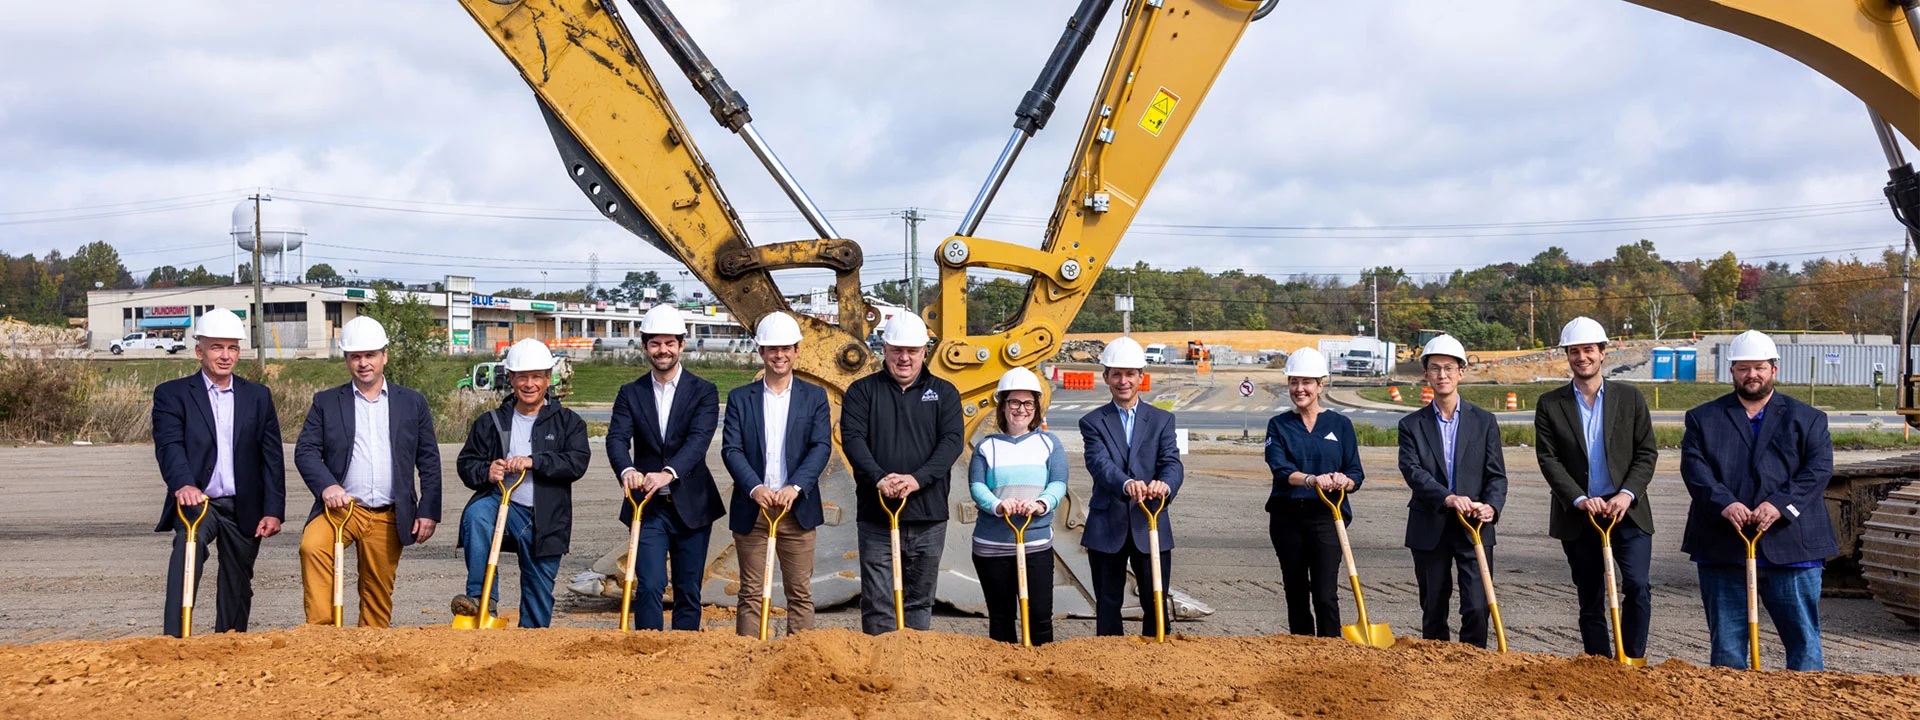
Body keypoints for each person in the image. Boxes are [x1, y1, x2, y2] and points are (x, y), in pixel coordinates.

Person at [1680, 330, 1835, 671]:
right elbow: (1695, 470)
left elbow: (1818, 470)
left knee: (1804, 644)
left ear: (1773, 370)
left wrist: (1779, 505)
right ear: (1732, 371)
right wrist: (1725, 504)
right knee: (1727, 652)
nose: (1752, 375)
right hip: (1724, 549)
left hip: (1792, 551)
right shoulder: (1702, 418)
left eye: (1759, 367)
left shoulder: (1807, 419)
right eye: (1743, 368)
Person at [293, 316, 441, 627]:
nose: (363, 363)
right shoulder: (326, 402)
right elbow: (305, 451)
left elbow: (428, 459)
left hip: (389, 514)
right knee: (313, 546)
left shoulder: (412, 402)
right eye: (355, 357)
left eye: (370, 355)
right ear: (346, 359)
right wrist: (327, 486)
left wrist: (428, 510)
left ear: (384, 356)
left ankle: (369, 656)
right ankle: (321, 635)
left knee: (377, 596)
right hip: (341, 510)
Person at [150, 308, 284, 637]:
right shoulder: (173, 395)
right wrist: (183, 484)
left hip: (244, 505)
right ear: (199, 351)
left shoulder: (258, 397)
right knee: (187, 553)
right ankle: (175, 640)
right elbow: (169, 446)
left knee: (237, 582)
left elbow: (272, 458)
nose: (226, 356)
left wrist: (273, 510)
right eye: (216, 347)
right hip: (201, 502)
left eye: (232, 348)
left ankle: (230, 644)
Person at [1534, 316, 1658, 660]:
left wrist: (1625, 494)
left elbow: (1646, 453)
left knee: (1637, 585)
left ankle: (1632, 658)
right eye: (1574, 351)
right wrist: (1579, 499)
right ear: (1568, 356)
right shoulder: (1550, 404)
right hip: (1579, 514)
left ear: (1603, 353)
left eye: (1588, 350)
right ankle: (1598, 664)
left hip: (1627, 512)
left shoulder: (1630, 398)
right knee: (1590, 596)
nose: (1581, 357)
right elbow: (1549, 459)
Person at [839, 310, 964, 634]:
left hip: (928, 516)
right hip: (876, 516)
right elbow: (852, 440)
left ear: (924, 351)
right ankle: (879, 669)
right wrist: (879, 478)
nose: (904, 358)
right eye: (897, 350)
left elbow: (951, 443)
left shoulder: (945, 393)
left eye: (912, 351)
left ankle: (913, 667)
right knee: (878, 601)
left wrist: (916, 480)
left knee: (919, 601)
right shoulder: (862, 392)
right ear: (885, 349)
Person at [452, 339, 590, 628]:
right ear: (511, 378)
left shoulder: (568, 423)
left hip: (546, 520)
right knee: (477, 514)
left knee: (538, 600)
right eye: (522, 377)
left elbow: (577, 462)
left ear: (548, 378)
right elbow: (466, 464)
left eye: (537, 376)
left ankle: (531, 651)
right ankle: (481, 597)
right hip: (504, 506)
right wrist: (486, 471)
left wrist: (534, 461)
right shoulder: (490, 422)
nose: (529, 384)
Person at [608, 304, 724, 631]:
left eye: (669, 343)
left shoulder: (703, 391)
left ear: (681, 345)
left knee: (688, 590)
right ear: (645, 347)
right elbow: (616, 438)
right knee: (649, 586)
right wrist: (626, 470)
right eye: (655, 344)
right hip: (647, 506)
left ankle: (683, 659)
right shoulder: (630, 393)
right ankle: (646, 656)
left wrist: (668, 473)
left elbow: (698, 442)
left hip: (692, 504)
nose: (663, 350)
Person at [721, 312, 832, 637]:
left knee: (799, 594)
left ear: (797, 351)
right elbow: (731, 449)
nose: (779, 355)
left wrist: (795, 486)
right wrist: (755, 487)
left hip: (796, 512)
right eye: (772, 349)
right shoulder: (741, 398)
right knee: (751, 593)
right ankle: (749, 660)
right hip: (753, 511)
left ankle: (798, 662)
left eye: (785, 348)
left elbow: (820, 447)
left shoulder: (813, 397)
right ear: (761, 353)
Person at [1397, 334, 1507, 647]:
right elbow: (1413, 472)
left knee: (1476, 606)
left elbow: (1496, 476)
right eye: (1435, 368)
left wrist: (1491, 507)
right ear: (1426, 374)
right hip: (1430, 525)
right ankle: (1437, 674)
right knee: (1433, 606)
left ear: (1461, 371)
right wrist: (1447, 497)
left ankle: (1474, 670)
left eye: (1448, 368)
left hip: (1475, 526)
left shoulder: (1484, 422)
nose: (1442, 375)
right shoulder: (1411, 425)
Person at [1079, 336, 1183, 637]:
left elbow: (1172, 462)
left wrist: (1165, 484)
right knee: (1108, 602)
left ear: (1141, 377)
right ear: (1106, 378)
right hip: (1106, 525)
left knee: (1156, 599)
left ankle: (1158, 658)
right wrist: (1127, 484)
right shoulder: (1092, 422)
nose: (1123, 381)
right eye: (1116, 374)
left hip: (1149, 520)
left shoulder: (1162, 420)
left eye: (1129, 374)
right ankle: (1110, 663)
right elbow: (1099, 464)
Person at [1262, 347, 1362, 638]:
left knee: (1325, 592)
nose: (1299, 389)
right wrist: (1310, 480)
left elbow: (1356, 473)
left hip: (1327, 517)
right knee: (1295, 590)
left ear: (1321, 384)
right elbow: (1280, 469)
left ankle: (1331, 651)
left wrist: (1344, 481)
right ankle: (1301, 651)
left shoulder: (1340, 425)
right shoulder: (1278, 425)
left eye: (1307, 382)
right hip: (1287, 518)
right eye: (1294, 382)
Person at [968, 366, 1068, 645]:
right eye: (1014, 402)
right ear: (1003, 406)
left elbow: (1058, 482)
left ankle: (1043, 674)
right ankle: (1005, 678)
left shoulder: (1049, 444)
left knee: (1039, 616)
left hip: (1035, 543)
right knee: (1001, 617)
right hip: (992, 545)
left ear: (1036, 407)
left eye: (1027, 403)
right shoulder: (987, 447)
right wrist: (999, 505)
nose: (1021, 409)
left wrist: (1040, 503)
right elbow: (977, 487)